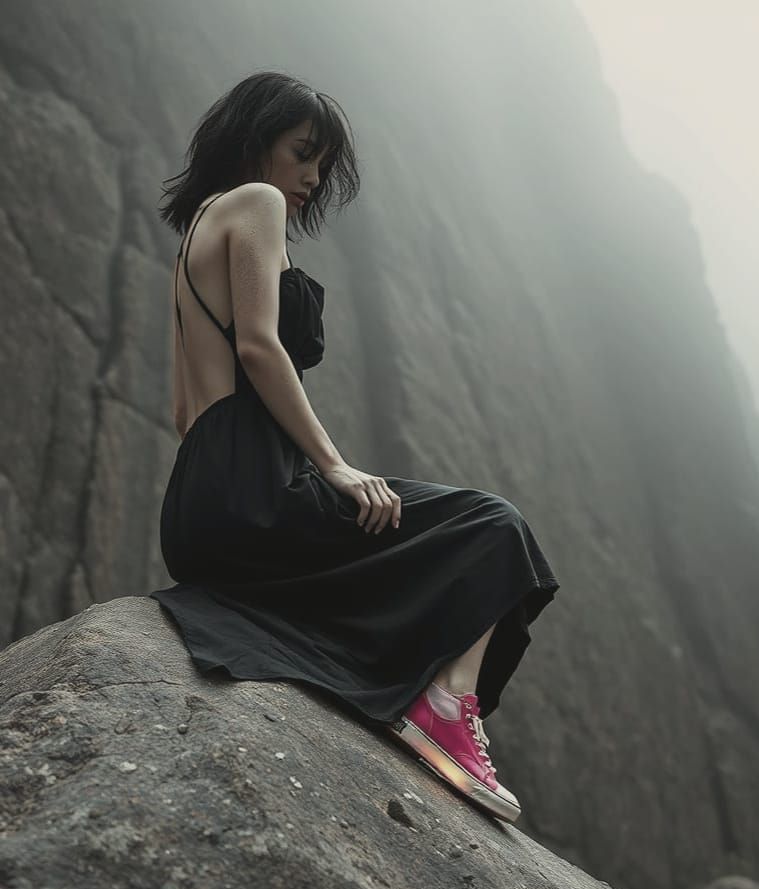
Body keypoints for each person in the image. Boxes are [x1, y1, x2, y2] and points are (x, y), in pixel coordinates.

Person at [149, 71, 560, 824]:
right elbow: (261, 347)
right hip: (251, 487)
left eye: (320, 164)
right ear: (256, 140)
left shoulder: (193, 238)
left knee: (435, 543)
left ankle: (430, 700)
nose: (309, 178)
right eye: (302, 154)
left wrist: (248, 481)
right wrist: (330, 467)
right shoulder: (255, 202)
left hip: (200, 507)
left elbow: (184, 409)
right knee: (496, 528)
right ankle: (444, 704)